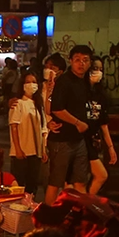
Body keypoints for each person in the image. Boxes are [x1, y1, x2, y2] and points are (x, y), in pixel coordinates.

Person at [45, 46, 95, 202]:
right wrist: (77, 123)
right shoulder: (65, 81)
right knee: (56, 182)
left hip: (78, 139)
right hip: (61, 139)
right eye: (77, 60)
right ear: (71, 61)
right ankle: (47, 217)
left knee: (80, 181)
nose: (81, 64)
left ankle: (82, 215)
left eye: (85, 60)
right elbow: (57, 109)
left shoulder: (84, 81)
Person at [5, 68, 46, 193]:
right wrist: (17, 148)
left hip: (35, 152)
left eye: (34, 82)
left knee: (32, 185)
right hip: (22, 151)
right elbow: (14, 126)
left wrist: (43, 149)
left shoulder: (38, 104)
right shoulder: (18, 103)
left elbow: (43, 129)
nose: (31, 85)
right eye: (28, 82)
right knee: (19, 185)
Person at [83, 62, 117, 196]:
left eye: (100, 69)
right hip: (78, 139)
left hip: (92, 140)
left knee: (101, 175)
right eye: (94, 68)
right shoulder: (79, 91)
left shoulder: (100, 95)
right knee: (77, 180)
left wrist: (110, 147)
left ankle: (85, 203)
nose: (98, 72)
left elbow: (103, 123)